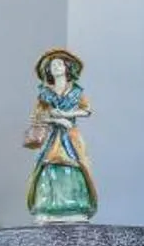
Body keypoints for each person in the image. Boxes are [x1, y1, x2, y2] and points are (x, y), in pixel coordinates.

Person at [24, 49, 98, 223]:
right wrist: (55, 118)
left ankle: (74, 205)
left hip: (70, 136)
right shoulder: (44, 93)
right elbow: (38, 115)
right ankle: (48, 205)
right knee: (48, 164)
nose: (56, 67)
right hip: (51, 136)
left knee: (74, 163)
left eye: (59, 63)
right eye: (52, 65)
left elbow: (87, 110)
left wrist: (65, 116)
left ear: (67, 67)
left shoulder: (76, 92)